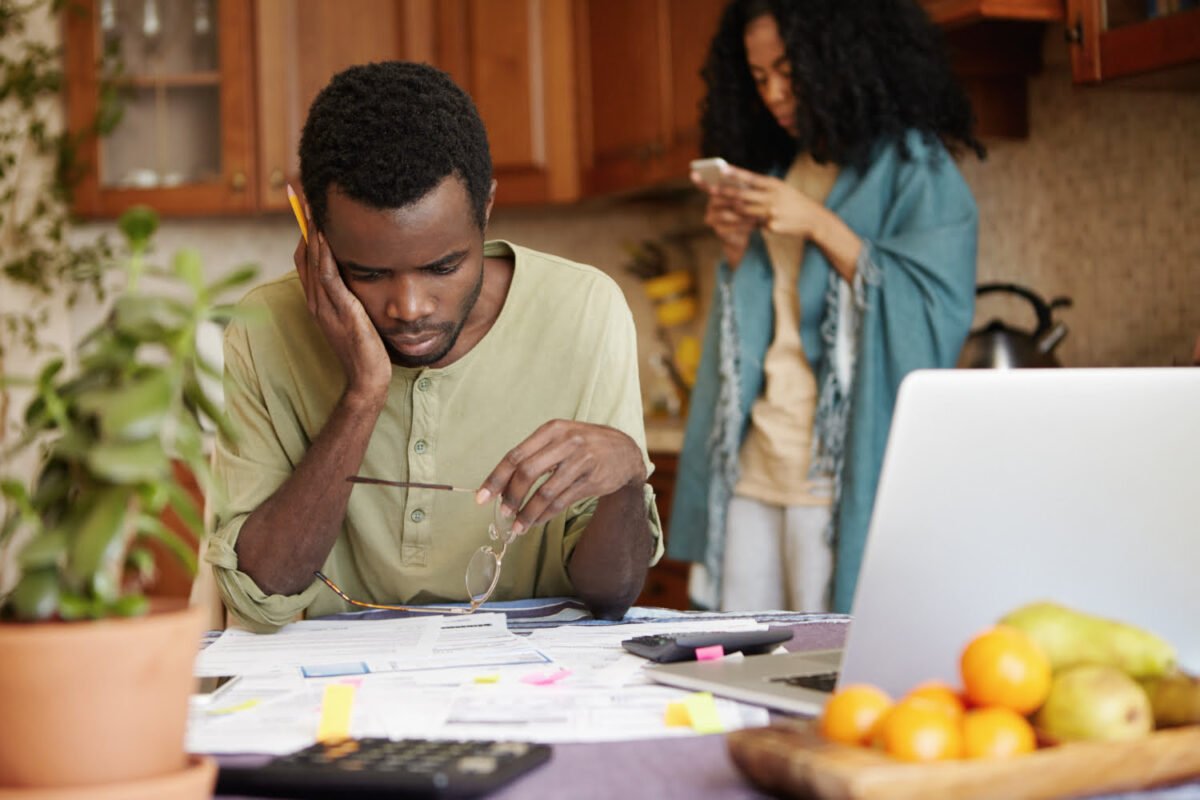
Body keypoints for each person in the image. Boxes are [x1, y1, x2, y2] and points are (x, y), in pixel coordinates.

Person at [205, 62, 661, 632]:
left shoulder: (585, 310)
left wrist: (625, 476)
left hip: (534, 685)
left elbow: (612, 595)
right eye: (367, 273)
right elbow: (262, 591)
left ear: (486, 209)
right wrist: (364, 392)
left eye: (443, 266)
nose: (411, 306)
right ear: (312, 237)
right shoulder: (263, 328)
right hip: (336, 691)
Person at [668, 0, 984, 614]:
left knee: (826, 671)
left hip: (832, 481)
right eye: (759, 79)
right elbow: (771, 315)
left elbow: (934, 309)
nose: (776, 95)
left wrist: (818, 225)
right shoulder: (789, 166)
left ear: (840, 58)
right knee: (736, 668)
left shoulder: (913, 166)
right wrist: (738, 251)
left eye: (789, 71)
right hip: (757, 463)